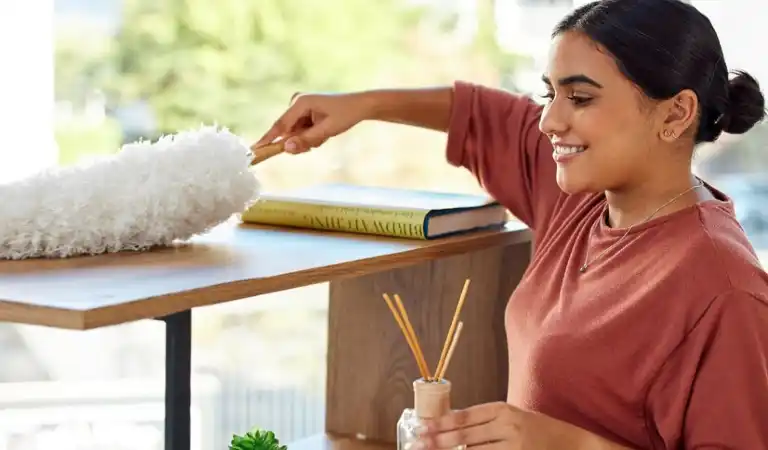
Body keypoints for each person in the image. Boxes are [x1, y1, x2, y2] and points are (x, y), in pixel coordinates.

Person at [257, 0, 768, 448]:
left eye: (580, 98)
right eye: (551, 94)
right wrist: (363, 105)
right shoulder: (582, 198)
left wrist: (566, 444)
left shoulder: (724, 289)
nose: (549, 120)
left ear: (676, 114)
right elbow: (482, 114)